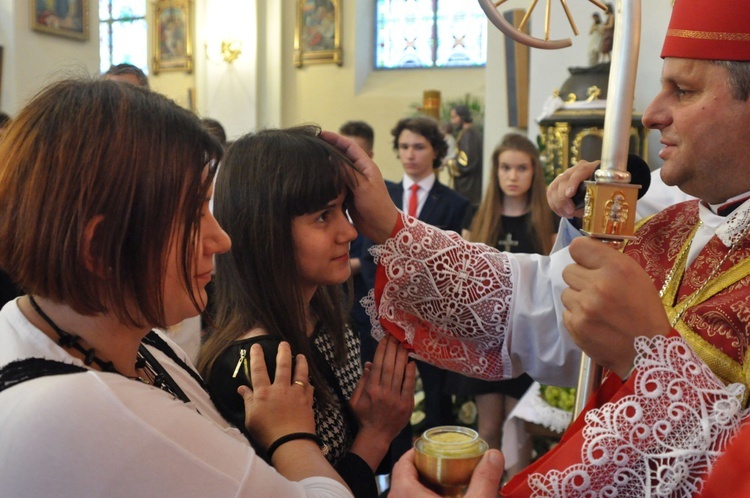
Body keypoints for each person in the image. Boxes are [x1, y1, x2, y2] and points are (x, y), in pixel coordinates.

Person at [321, 0, 750, 493]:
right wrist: (390, 226)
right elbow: (535, 306)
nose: (652, 114)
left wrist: (646, 359)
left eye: (685, 90)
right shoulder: (669, 227)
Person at [0, 78, 353, 497]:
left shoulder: (128, 339)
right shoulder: (82, 412)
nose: (221, 240)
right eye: (191, 215)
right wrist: (290, 437)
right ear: (100, 247)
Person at [197, 126, 415, 498]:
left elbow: (347, 456)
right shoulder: (258, 363)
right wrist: (376, 434)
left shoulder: (325, 315)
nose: (348, 232)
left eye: (343, 210)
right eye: (322, 217)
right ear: (267, 232)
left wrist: (367, 421)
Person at [445, 133, 557, 463]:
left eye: (521, 168)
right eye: (506, 168)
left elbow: (551, 278)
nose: (512, 176)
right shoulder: (476, 215)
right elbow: (462, 275)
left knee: (518, 429)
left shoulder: (546, 218)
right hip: (485, 335)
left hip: (526, 335)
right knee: (489, 427)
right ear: (495, 171)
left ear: (534, 172)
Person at [447, 104, 483, 205]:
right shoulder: (470, 132)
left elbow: (465, 163)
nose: (452, 121)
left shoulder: (468, 135)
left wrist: (449, 163)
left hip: (468, 187)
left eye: (454, 117)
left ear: (462, 117)